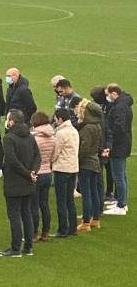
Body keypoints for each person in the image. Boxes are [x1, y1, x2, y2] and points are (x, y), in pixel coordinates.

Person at [0, 109, 40, 258]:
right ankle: (28, 247)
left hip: (15, 182)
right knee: (26, 213)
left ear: (12, 122)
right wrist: (33, 172)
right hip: (28, 182)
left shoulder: (9, 138)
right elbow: (37, 157)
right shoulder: (30, 136)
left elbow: (11, 160)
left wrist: (28, 173)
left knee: (14, 215)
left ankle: (15, 248)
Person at [103, 84, 132, 216]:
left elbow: (118, 126)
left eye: (108, 94)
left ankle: (121, 204)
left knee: (118, 175)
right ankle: (121, 201)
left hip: (118, 146)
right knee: (122, 175)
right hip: (123, 144)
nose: (107, 97)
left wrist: (110, 140)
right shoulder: (123, 104)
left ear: (114, 93)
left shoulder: (119, 107)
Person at [51, 109, 79, 237]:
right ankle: (72, 228)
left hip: (62, 169)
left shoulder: (61, 133)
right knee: (69, 200)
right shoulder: (74, 131)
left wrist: (50, 162)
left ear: (60, 119)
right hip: (73, 168)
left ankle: (63, 229)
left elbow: (56, 152)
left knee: (61, 200)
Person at [76, 100, 103, 231]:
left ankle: (86, 221)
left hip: (86, 164)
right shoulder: (97, 126)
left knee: (86, 193)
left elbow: (84, 148)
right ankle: (96, 219)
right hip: (95, 162)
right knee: (94, 191)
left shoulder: (87, 128)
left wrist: (76, 159)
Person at [29, 111, 55, 243]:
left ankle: (33, 233)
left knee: (34, 205)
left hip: (37, 173)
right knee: (44, 204)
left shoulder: (34, 139)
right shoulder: (52, 137)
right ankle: (46, 232)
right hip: (48, 173)